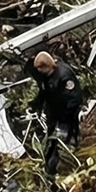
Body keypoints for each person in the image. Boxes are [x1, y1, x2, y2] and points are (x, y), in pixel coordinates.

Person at [27, 50, 83, 179]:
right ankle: (49, 167)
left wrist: (63, 117)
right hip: (54, 115)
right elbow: (44, 93)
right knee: (50, 142)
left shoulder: (64, 76)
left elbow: (74, 99)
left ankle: (59, 169)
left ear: (45, 66)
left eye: (39, 69)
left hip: (66, 117)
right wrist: (35, 106)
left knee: (61, 143)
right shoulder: (47, 77)